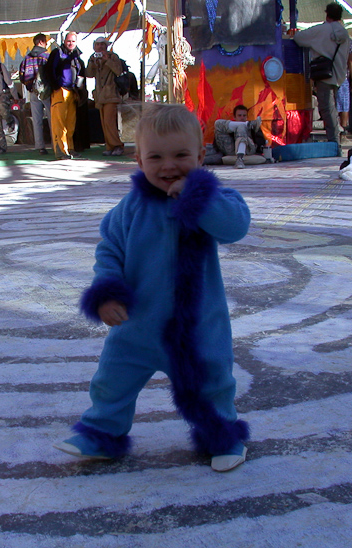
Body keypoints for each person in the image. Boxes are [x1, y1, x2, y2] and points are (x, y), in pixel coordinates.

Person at [53, 103, 251, 472]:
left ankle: (221, 435)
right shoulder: (129, 209)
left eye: (180, 155)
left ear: (200, 155)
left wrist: (195, 198)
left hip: (198, 330)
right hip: (137, 327)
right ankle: (102, 434)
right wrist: (107, 292)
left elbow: (235, 226)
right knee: (112, 382)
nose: (168, 165)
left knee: (213, 383)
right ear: (139, 160)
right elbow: (109, 250)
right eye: (155, 156)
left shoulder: (213, 200)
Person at [292, 2, 351, 145]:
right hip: (339, 75)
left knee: (326, 109)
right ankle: (336, 136)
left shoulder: (322, 30)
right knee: (333, 108)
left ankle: (334, 140)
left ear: (327, 14)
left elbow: (299, 38)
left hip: (324, 74)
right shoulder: (344, 33)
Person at [46, 31, 86, 160]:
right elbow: (49, 70)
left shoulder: (76, 56)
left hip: (72, 92)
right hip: (60, 91)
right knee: (59, 123)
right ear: (64, 41)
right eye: (69, 41)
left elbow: (81, 73)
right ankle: (61, 150)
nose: (71, 43)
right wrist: (56, 87)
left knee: (70, 123)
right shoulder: (57, 53)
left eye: (73, 41)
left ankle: (70, 148)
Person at [85, 36, 125, 157]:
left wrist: (107, 60)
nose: (100, 47)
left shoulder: (113, 57)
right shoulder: (93, 59)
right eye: (98, 45)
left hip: (111, 94)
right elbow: (89, 74)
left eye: (102, 45)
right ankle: (110, 146)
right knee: (104, 123)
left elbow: (118, 71)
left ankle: (117, 145)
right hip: (100, 96)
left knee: (110, 122)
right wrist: (92, 62)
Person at [19, 33, 52, 155]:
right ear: (42, 42)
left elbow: (22, 75)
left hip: (33, 91)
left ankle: (39, 146)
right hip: (46, 91)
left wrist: (30, 86)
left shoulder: (27, 58)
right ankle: (56, 143)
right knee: (51, 118)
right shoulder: (47, 56)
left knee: (37, 120)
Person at [213, 105, 261, 169]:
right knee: (217, 123)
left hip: (248, 149)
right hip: (231, 149)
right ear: (234, 117)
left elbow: (260, 143)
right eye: (239, 115)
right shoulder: (229, 127)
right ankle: (248, 124)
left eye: (244, 116)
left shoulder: (254, 128)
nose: (242, 118)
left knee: (241, 127)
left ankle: (240, 159)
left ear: (247, 117)